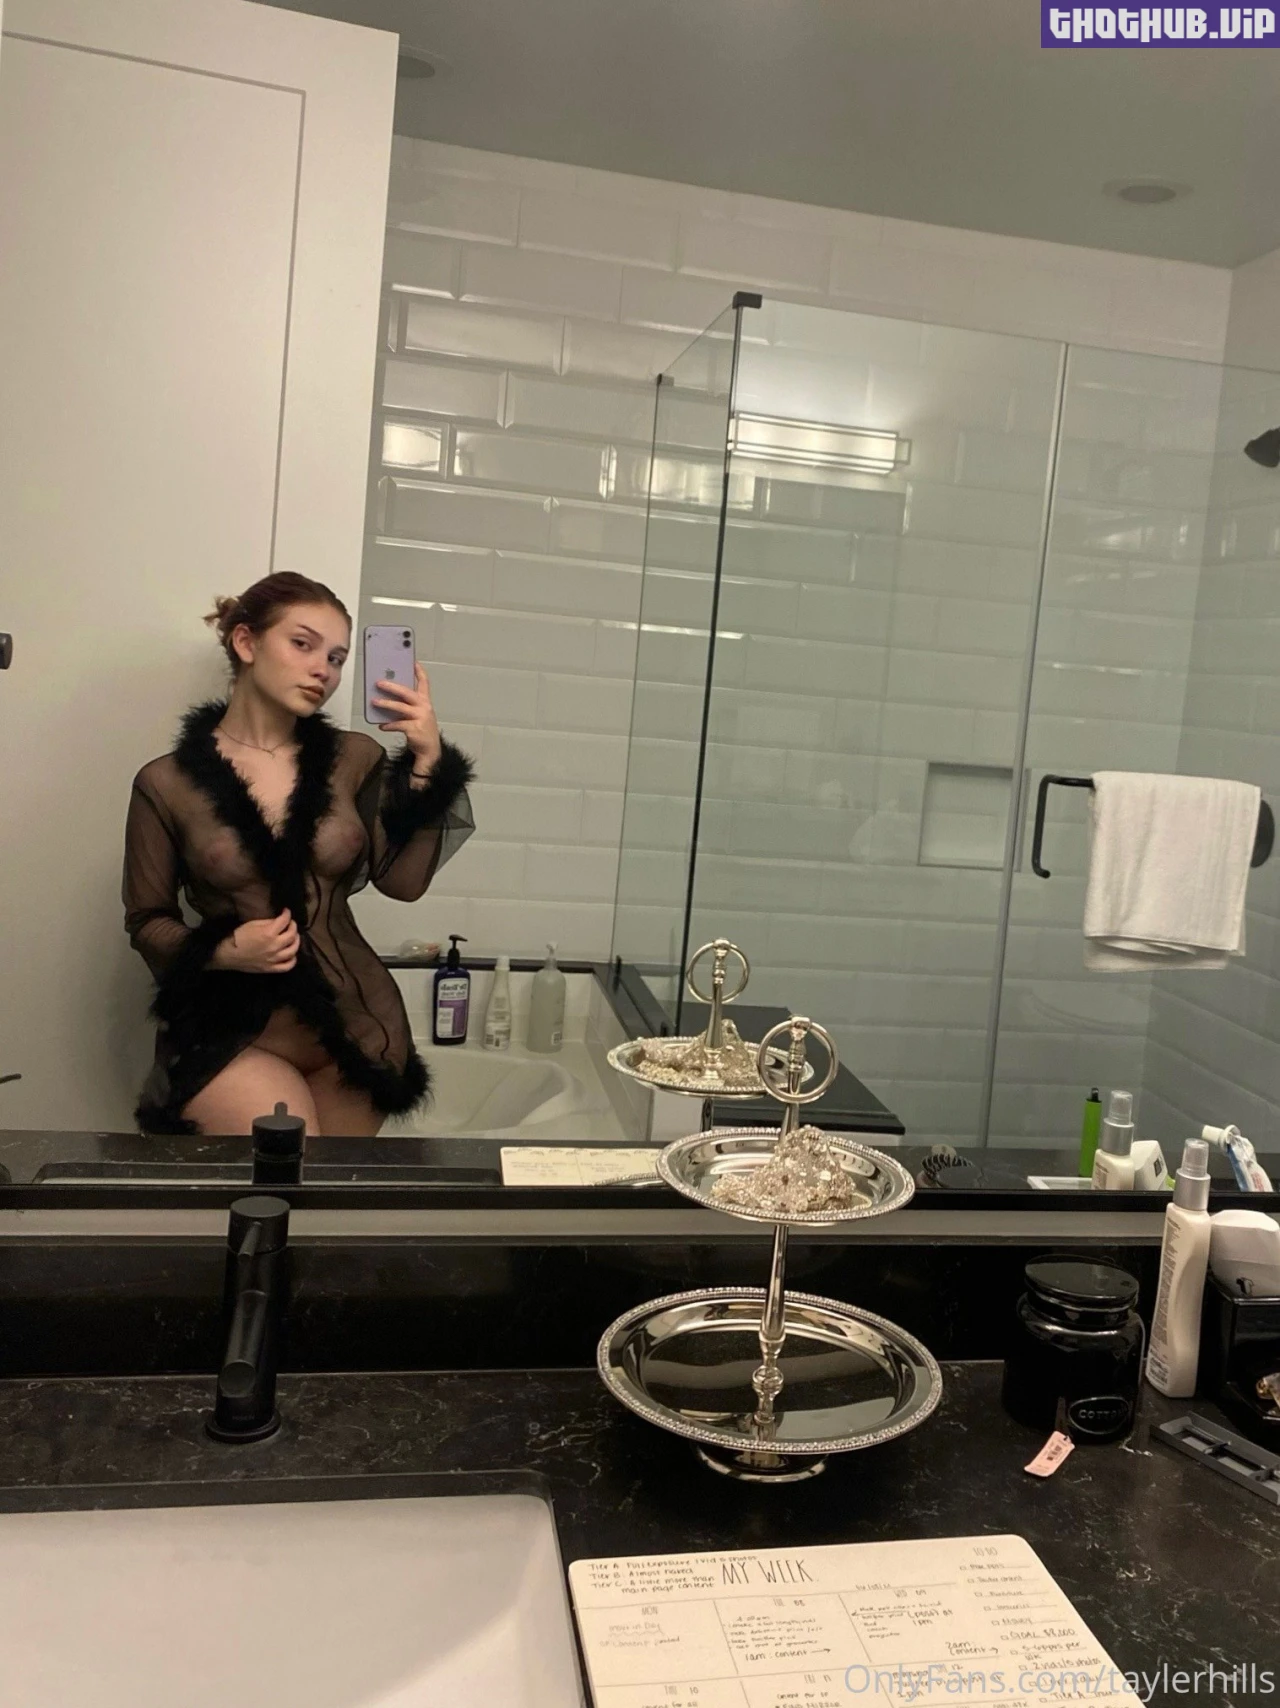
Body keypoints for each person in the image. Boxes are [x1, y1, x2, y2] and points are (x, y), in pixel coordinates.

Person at [122, 572, 474, 1136]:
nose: (323, 671)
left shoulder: (354, 759)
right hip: (237, 1031)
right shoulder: (166, 784)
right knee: (284, 1176)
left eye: (336, 658)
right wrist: (223, 950)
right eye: (303, 644)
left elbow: (403, 882)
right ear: (246, 642)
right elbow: (146, 922)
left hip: (358, 1028)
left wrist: (428, 762)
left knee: (329, 1192)